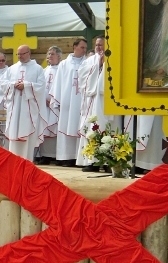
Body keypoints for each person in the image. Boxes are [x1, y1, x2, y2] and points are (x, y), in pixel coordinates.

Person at [76, 36, 123, 171]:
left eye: (101, 45)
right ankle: (93, 162)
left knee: (110, 129)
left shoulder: (114, 58)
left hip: (109, 100)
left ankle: (109, 162)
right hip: (93, 101)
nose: (98, 47)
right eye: (97, 45)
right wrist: (99, 65)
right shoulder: (89, 61)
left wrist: (105, 64)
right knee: (93, 128)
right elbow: (82, 77)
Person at [0, 45, 47, 161]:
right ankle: (14, 160)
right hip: (15, 108)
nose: (20, 56)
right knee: (14, 132)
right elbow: (2, 84)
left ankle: (27, 160)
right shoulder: (12, 69)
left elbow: (41, 86)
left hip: (28, 108)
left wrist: (26, 85)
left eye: (22, 54)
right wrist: (13, 85)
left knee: (27, 132)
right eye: (18, 54)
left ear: (29, 53)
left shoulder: (38, 69)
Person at [49, 38, 87, 166]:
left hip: (81, 101)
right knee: (65, 126)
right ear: (74, 47)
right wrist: (57, 100)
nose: (84, 50)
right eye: (82, 47)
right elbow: (58, 83)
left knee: (80, 127)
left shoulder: (87, 62)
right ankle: (65, 157)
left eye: (85, 48)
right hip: (67, 101)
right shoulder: (64, 64)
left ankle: (78, 157)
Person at [38, 46, 62, 165]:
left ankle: (56, 155)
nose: (50, 56)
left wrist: (54, 100)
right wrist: (43, 99)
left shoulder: (61, 70)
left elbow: (61, 87)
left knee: (55, 128)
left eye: (52, 54)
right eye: (49, 54)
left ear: (59, 56)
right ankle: (45, 155)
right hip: (44, 105)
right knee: (44, 128)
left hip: (56, 105)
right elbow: (40, 86)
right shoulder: (44, 70)